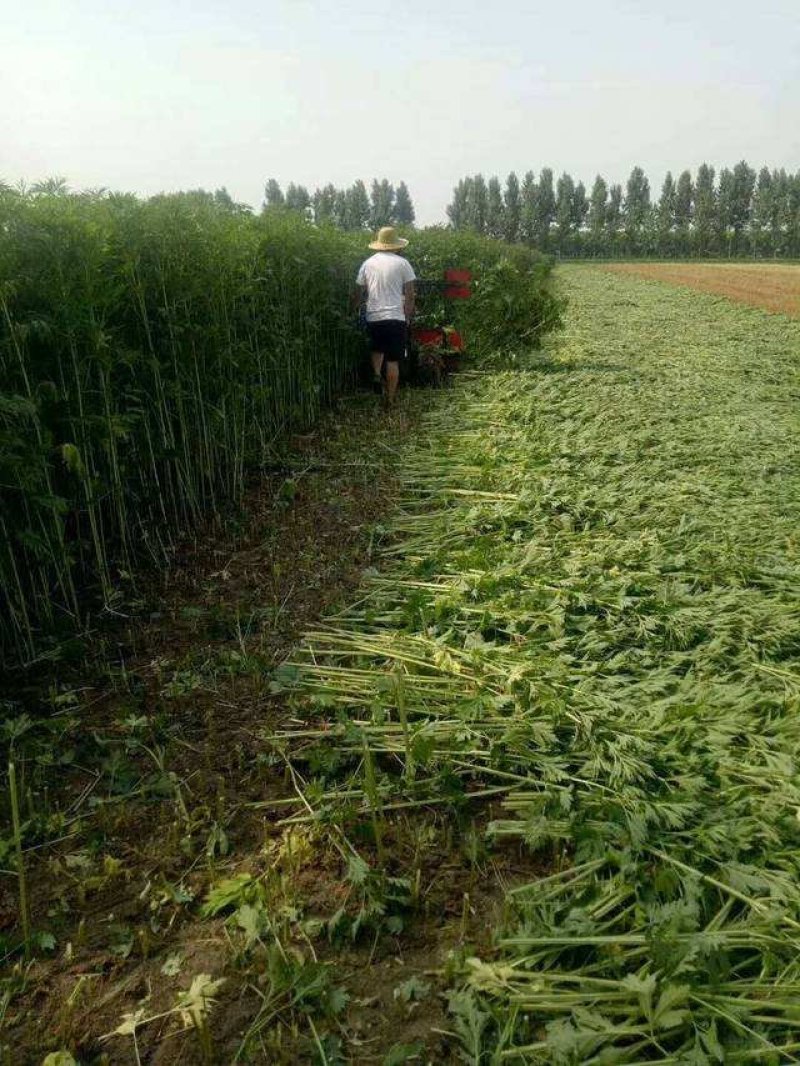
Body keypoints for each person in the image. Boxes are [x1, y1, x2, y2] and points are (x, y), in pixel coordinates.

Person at [355, 226, 416, 406]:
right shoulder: (403, 263)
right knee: (393, 359)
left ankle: (375, 375)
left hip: (374, 316)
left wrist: (355, 307)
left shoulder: (367, 263)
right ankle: (390, 399)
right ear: (396, 246)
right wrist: (408, 314)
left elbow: (359, 291)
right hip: (395, 316)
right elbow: (410, 294)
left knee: (377, 347)